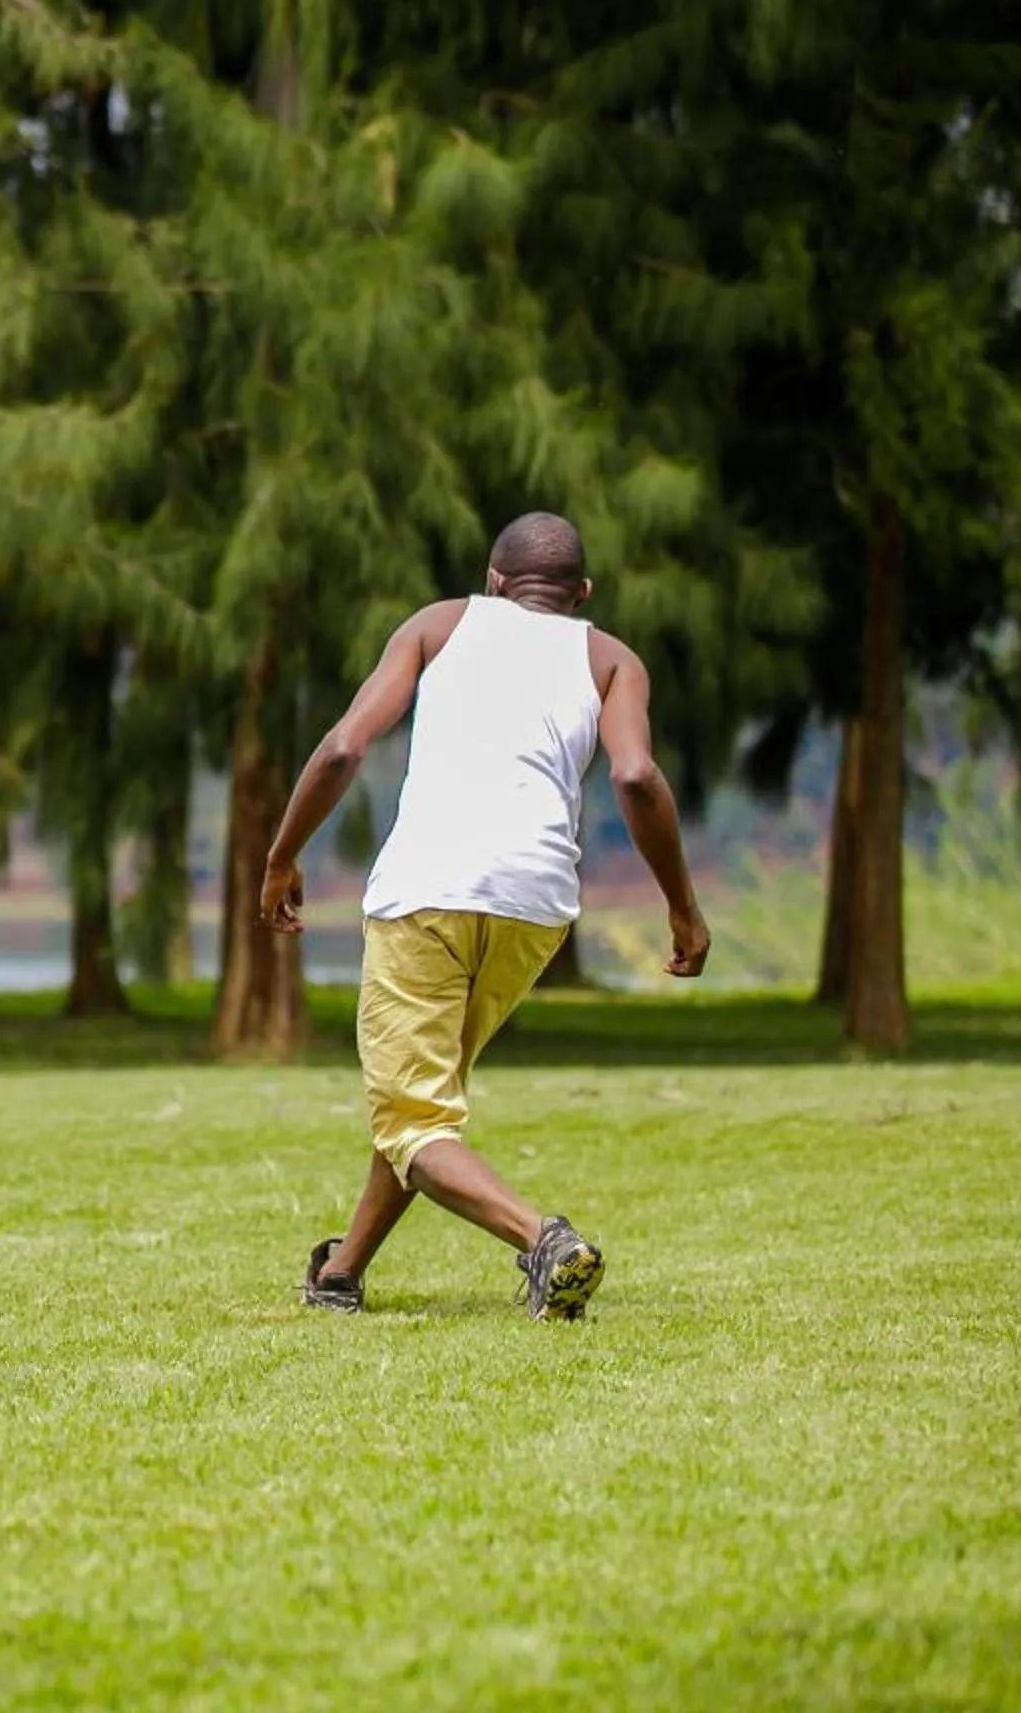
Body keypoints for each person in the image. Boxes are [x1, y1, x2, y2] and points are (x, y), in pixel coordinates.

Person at [259, 512, 711, 1321]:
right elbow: (638, 776)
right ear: (582, 594)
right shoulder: (611, 659)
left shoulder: (442, 622)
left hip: (427, 892)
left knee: (412, 1114)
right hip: (534, 906)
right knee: (423, 1100)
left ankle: (546, 1243)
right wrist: (682, 907)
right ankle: (341, 1271)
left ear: (495, 582)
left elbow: (341, 749)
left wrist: (281, 854)